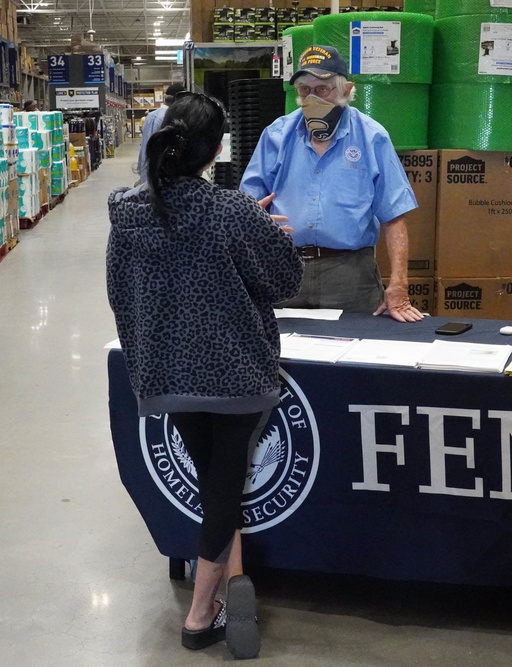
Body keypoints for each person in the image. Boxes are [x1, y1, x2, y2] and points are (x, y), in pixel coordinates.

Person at [106, 93, 303, 659]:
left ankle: (219, 592)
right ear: (219, 150)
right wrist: (269, 234)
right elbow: (284, 282)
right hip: (236, 374)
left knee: (212, 481)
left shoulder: (129, 213)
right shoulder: (231, 211)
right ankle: (199, 613)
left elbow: (118, 293)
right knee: (224, 485)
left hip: (167, 375)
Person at [240, 45, 423, 322]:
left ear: (346, 90)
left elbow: (394, 215)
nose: (312, 98)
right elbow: (246, 206)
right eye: (305, 90)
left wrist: (399, 284)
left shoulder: (372, 137)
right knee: (277, 346)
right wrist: (256, 220)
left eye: (322, 89)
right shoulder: (276, 135)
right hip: (283, 267)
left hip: (349, 275)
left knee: (358, 345)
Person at [137, 82, 185, 184]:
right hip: (159, 177)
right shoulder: (169, 118)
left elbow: (144, 145)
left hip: (146, 171)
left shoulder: (150, 116)